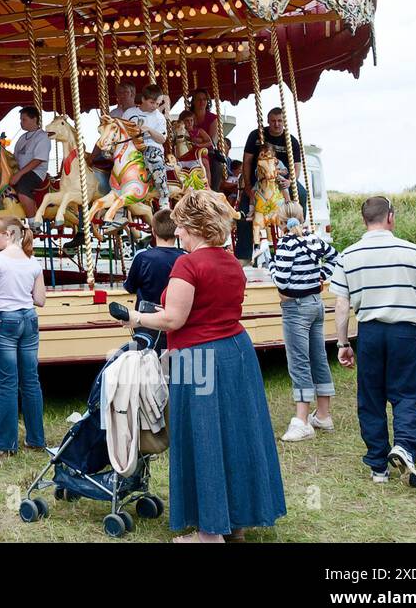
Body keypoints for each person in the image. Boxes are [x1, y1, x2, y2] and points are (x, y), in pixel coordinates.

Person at [113, 189, 286, 542]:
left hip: (197, 358)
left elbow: (174, 319)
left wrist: (133, 317)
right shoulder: (231, 263)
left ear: (193, 226)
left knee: (204, 438)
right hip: (236, 353)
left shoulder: (188, 264)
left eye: (180, 226)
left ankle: (209, 533)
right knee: (236, 435)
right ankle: (234, 521)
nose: (177, 233)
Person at [331, 196, 416, 488]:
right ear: (390, 217)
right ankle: (405, 445)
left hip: (369, 333)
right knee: (409, 392)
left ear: (363, 219)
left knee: (371, 398)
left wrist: (343, 343)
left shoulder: (348, 256)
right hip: (405, 332)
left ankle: (378, 464)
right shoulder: (414, 252)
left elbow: (341, 305)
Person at [255, 202, 339, 442]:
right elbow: (335, 257)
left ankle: (302, 420)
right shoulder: (313, 240)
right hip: (316, 302)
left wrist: (268, 260)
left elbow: (281, 279)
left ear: (280, 224)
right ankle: (323, 414)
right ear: (301, 219)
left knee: (299, 361)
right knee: (319, 357)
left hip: (296, 307)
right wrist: (319, 276)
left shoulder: (286, 244)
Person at [0, 216, 47, 456]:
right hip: (29, 318)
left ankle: (4, 442)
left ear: (8, 234)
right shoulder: (32, 261)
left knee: (8, 382)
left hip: (4, 320)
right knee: (31, 380)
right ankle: (36, 438)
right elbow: (40, 299)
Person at [123, 208, 185, 351]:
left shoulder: (142, 256)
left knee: (146, 365)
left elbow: (130, 287)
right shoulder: (185, 257)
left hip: (147, 321)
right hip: (175, 321)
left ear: (153, 231)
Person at [123, 84, 170, 209]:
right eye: (152, 102)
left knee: (154, 158)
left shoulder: (158, 117)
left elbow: (162, 139)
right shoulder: (129, 113)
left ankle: (164, 195)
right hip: (132, 146)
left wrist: (149, 130)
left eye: (157, 103)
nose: (155, 106)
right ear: (143, 99)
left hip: (151, 146)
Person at [8, 105, 51, 222]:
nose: (21, 123)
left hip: (35, 172)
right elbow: (15, 157)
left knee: (22, 187)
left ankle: (33, 222)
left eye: (24, 120)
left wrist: (19, 174)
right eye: (21, 120)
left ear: (34, 119)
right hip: (21, 171)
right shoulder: (22, 138)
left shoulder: (42, 137)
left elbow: (38, 160)